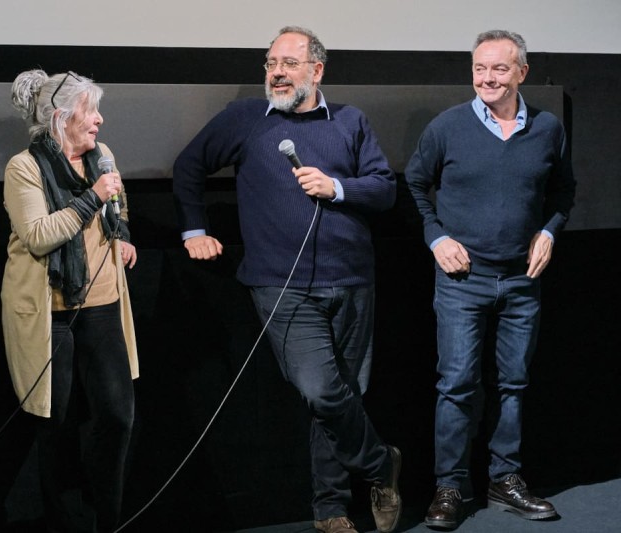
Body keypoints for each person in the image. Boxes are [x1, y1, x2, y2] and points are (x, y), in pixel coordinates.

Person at [173, 26, 401, 533]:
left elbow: (385, 189)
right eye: (271, 62)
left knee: (344, 396)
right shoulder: (245, 119)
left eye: (289, 63)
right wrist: (194, 229)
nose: (277, 71)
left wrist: (337, 187)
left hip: (354, 280)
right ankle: (382, 464)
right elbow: (189, 167)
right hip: (282, 284)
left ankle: (331, 510)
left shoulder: (350, 121)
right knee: (322, 391)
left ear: (316, 71)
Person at [404, 30, 576, 530]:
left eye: (499, 69)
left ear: (522, 72)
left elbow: (564, 191)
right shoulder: (447, 127)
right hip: (463, 280)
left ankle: (506, 479)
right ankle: (450, 486)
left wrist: (548, 231)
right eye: (480, 68)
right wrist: (436, 238)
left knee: (514, 384)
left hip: (522, 281)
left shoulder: (547, 129)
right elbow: (413, 184)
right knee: (457, 385)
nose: (487, 78)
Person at [1, 69, 139, 533]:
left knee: (117, 416)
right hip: (51, 314)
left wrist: (122, 236)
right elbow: (38, 236)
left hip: (101, 305)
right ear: (61, 118)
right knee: (55, 428)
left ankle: (108, 520)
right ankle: (64, 522)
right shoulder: (24, 167)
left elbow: (118, 208)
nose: (99, 121)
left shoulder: (103, 157)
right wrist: (91, 200)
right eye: (89, 112)